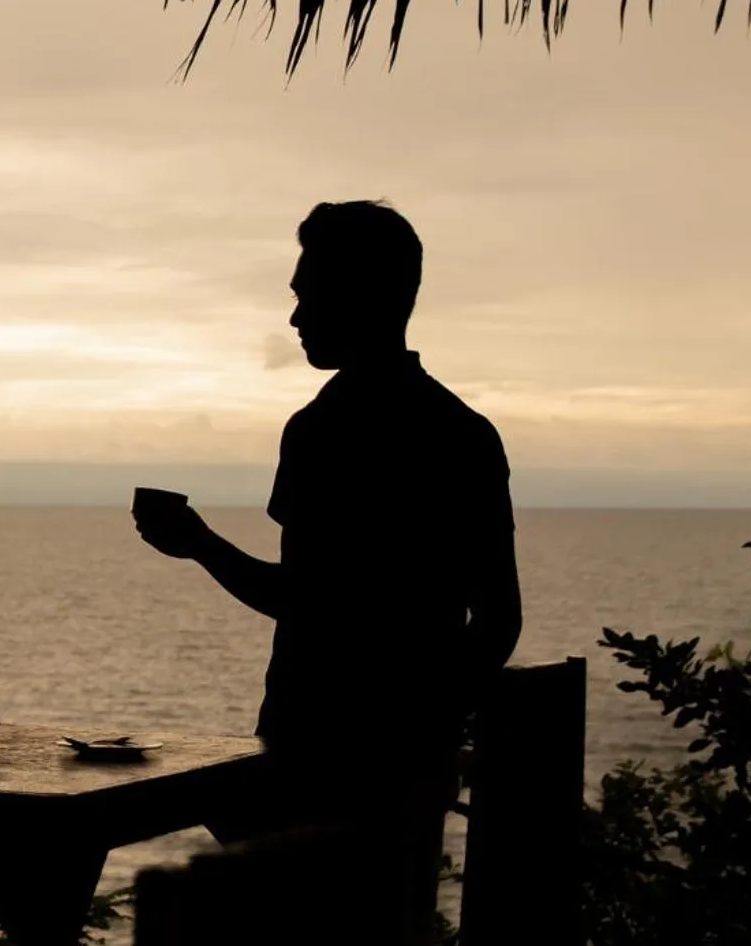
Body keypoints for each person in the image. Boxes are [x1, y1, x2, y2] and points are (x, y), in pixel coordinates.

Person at [134, 199, 521, 857]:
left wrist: (199, 543)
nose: (295, 317)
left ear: (359, 297)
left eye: (308, 294)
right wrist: (425, 725)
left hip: (309, 758)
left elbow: (304, 599)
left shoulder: (321, 431)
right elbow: (497, 622)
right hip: (407, 770)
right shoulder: (466, 433)